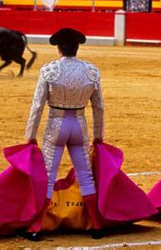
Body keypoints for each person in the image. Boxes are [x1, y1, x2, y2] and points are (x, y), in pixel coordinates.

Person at [23, 28, 104, 241]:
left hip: (56, 125)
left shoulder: (49, 70)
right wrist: (98, 136)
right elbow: (98, 107)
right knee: (85, 175)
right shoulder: (92, 71)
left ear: (58, 48)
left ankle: (36, 226)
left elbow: (37, 105)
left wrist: (30, 135)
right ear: (77, 48)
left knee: (48, 176)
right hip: (79, 124)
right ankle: (96, 225)